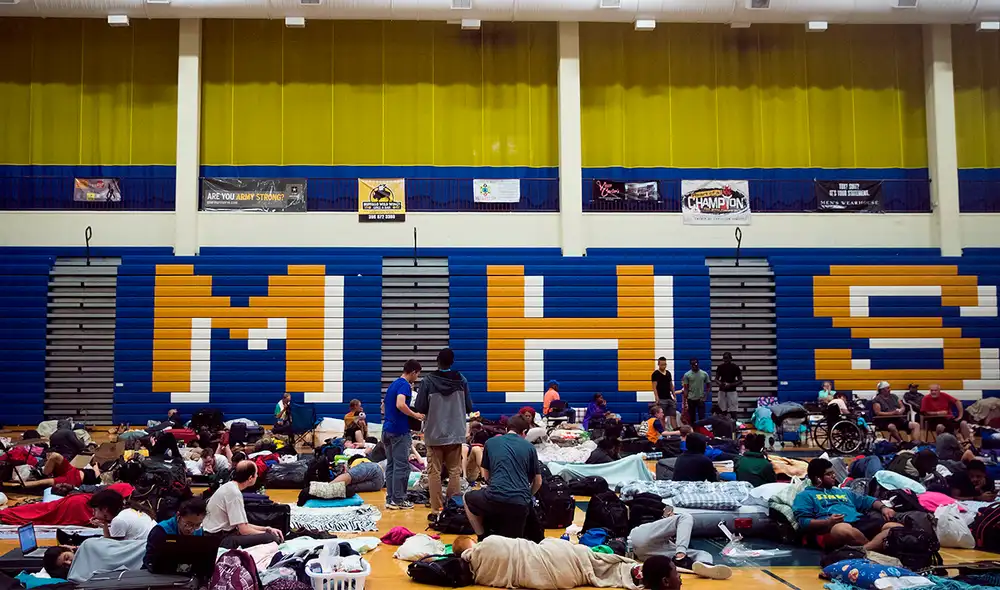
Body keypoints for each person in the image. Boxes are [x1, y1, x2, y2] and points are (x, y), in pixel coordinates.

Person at [453, 534, 644, 589]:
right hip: (550, 558)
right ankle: (631, 569)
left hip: (550, 580)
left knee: (589, 571)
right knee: (591, 558)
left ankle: (627, 573)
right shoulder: (487, 544)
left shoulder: (478, 576)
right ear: (471, 545)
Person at [414, 347, 474, 519]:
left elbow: (419, 407)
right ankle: (452, 508)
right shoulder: (461, 380)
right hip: (455, 432)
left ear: (437, 361)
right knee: (455, 471)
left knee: (434, 472)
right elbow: (469, 406)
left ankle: (436, 509)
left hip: (434, 433)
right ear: (452, 362)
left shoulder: (428, 381)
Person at [793, 458, 900, 551]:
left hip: (860, 522)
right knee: (841, 529)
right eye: (828, 474)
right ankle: (877, 546)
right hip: (832, 529)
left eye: (833, 473)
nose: (834, 476)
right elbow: (804, 522)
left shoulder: (843, 492)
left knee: (895, 527)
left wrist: (884, 508)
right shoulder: (805, 495)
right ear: (818, 478)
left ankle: (866, 550)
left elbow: (867, 500)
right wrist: (827, 522)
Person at [463, 415, 541, 540]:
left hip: (494, 498)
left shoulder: (490, 442)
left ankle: (481, 536)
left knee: (467, 498)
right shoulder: (530, 447)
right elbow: (538, 482)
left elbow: (487, 477)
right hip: (520, 504)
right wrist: (527, 496)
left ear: (506, 428)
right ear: (524, 432)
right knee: (514, 544)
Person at [629, 502, 731, 577]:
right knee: (686, 517)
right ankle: (681, 556)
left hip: (647, 554)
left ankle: (705, 566)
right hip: (639, 536)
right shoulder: (662, 521)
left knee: (704, 554)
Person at [202, 460, 283, 549]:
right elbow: (244, 530)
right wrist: (267, 534)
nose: (257, 476)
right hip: (220, 539)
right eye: (256, 474)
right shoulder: (234, 493)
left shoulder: (229, 486)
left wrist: (266, 528)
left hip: (217, 535)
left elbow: (242, 525)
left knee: (267, 534)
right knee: (270, 538)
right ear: (250, 478)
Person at [383, 359, 425, 510]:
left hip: (387, 429)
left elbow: (383, 406)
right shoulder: (404, 385)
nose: (417, 377)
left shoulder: (393, 384)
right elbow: (400, 404)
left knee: (391, 465)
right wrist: (415, 415)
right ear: (413, 372)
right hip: (399, 431)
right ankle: (399, 500)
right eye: (418, 374)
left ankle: (390, 499)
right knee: (402, 466)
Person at [143, 497, 207, 570]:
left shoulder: (198, 531)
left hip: (185, 572)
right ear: (178, 515)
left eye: (197, 525)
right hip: (158, 573)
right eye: (188, 524)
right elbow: (149, 561)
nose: (191, 530)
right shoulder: (161, 531)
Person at [88, 488, 155, 541]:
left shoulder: (119, 520)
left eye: (95, 510)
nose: (93, 513)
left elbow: (111, 546)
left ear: (105, 509)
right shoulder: (130, 510)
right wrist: (104, 524)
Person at [20, 451, 98, 490]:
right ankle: (42, 472)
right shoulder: (95, 470)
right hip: (73, 471)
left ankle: (41, 473)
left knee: (44, 482)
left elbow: (97, 475)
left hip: (73, 479)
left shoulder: (97, 476)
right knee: (55, 455)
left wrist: (96, 464)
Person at [714, 353, 743, 419]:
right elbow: (716, 379)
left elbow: (740, 381)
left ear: (731, 358)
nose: (725, 360)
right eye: (724, 358)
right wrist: (721, 384)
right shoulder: (720, 367)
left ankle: (734, 426)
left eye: (727, 358)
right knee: (722, 411)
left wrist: (731, 385)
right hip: (722, 391)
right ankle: (723, 426)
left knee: (733, 411)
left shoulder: (735, 367)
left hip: (732, 391)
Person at [682, 359, 710, 424]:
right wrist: (685, 400)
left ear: (698, 363)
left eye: (695, 364)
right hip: (691, 399)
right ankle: (693, 431)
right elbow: (686, 388)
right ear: (690, 365)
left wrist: (705, 396)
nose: (694, 365)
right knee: (692, 418)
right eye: (692, 364)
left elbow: (708, 386)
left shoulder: (704, 374)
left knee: (702, 417)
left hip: (700, 399)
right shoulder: (687, 375)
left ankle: (701, 431)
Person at [651, 357, 676, 429]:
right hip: (661, 398)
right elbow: (654, 387)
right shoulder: (655, 374)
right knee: (662, 416)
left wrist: (674, 395)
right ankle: (664, 431)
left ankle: (675, 430)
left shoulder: (668, 373)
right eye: (662, 364)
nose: (663, 366)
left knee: (673, 415)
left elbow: (671, 385)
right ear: (658, 364)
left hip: (669, 397)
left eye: (665, 364)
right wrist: (657, 397)